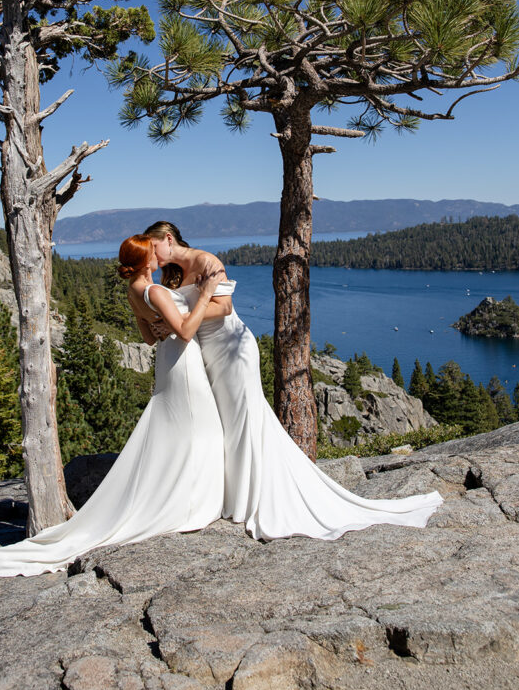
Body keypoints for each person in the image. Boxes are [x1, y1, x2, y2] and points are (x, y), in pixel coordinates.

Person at [0, 235, 227, 579]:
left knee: (183, 429)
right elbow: (185, 331)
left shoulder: (134, 292)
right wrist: (205, 292)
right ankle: (193, 502)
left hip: (167, 361)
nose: (159, 255)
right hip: (183, 362)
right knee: (203, 428)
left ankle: (186, 495)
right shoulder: (154, 292)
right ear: (144, 261)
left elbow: (148, 337)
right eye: (154, 252)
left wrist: (163, 324)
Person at [143, 221, 444, 541]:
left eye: (153, 247)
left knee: (245, 420)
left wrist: (191, 313)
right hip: (210, 354)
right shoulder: (172, 274)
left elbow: (224, 307)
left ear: (168, 238)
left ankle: (253, 500)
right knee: (229, 424)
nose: (153, 255)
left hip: (232, 350)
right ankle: (235, 496)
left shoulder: (207, 262)